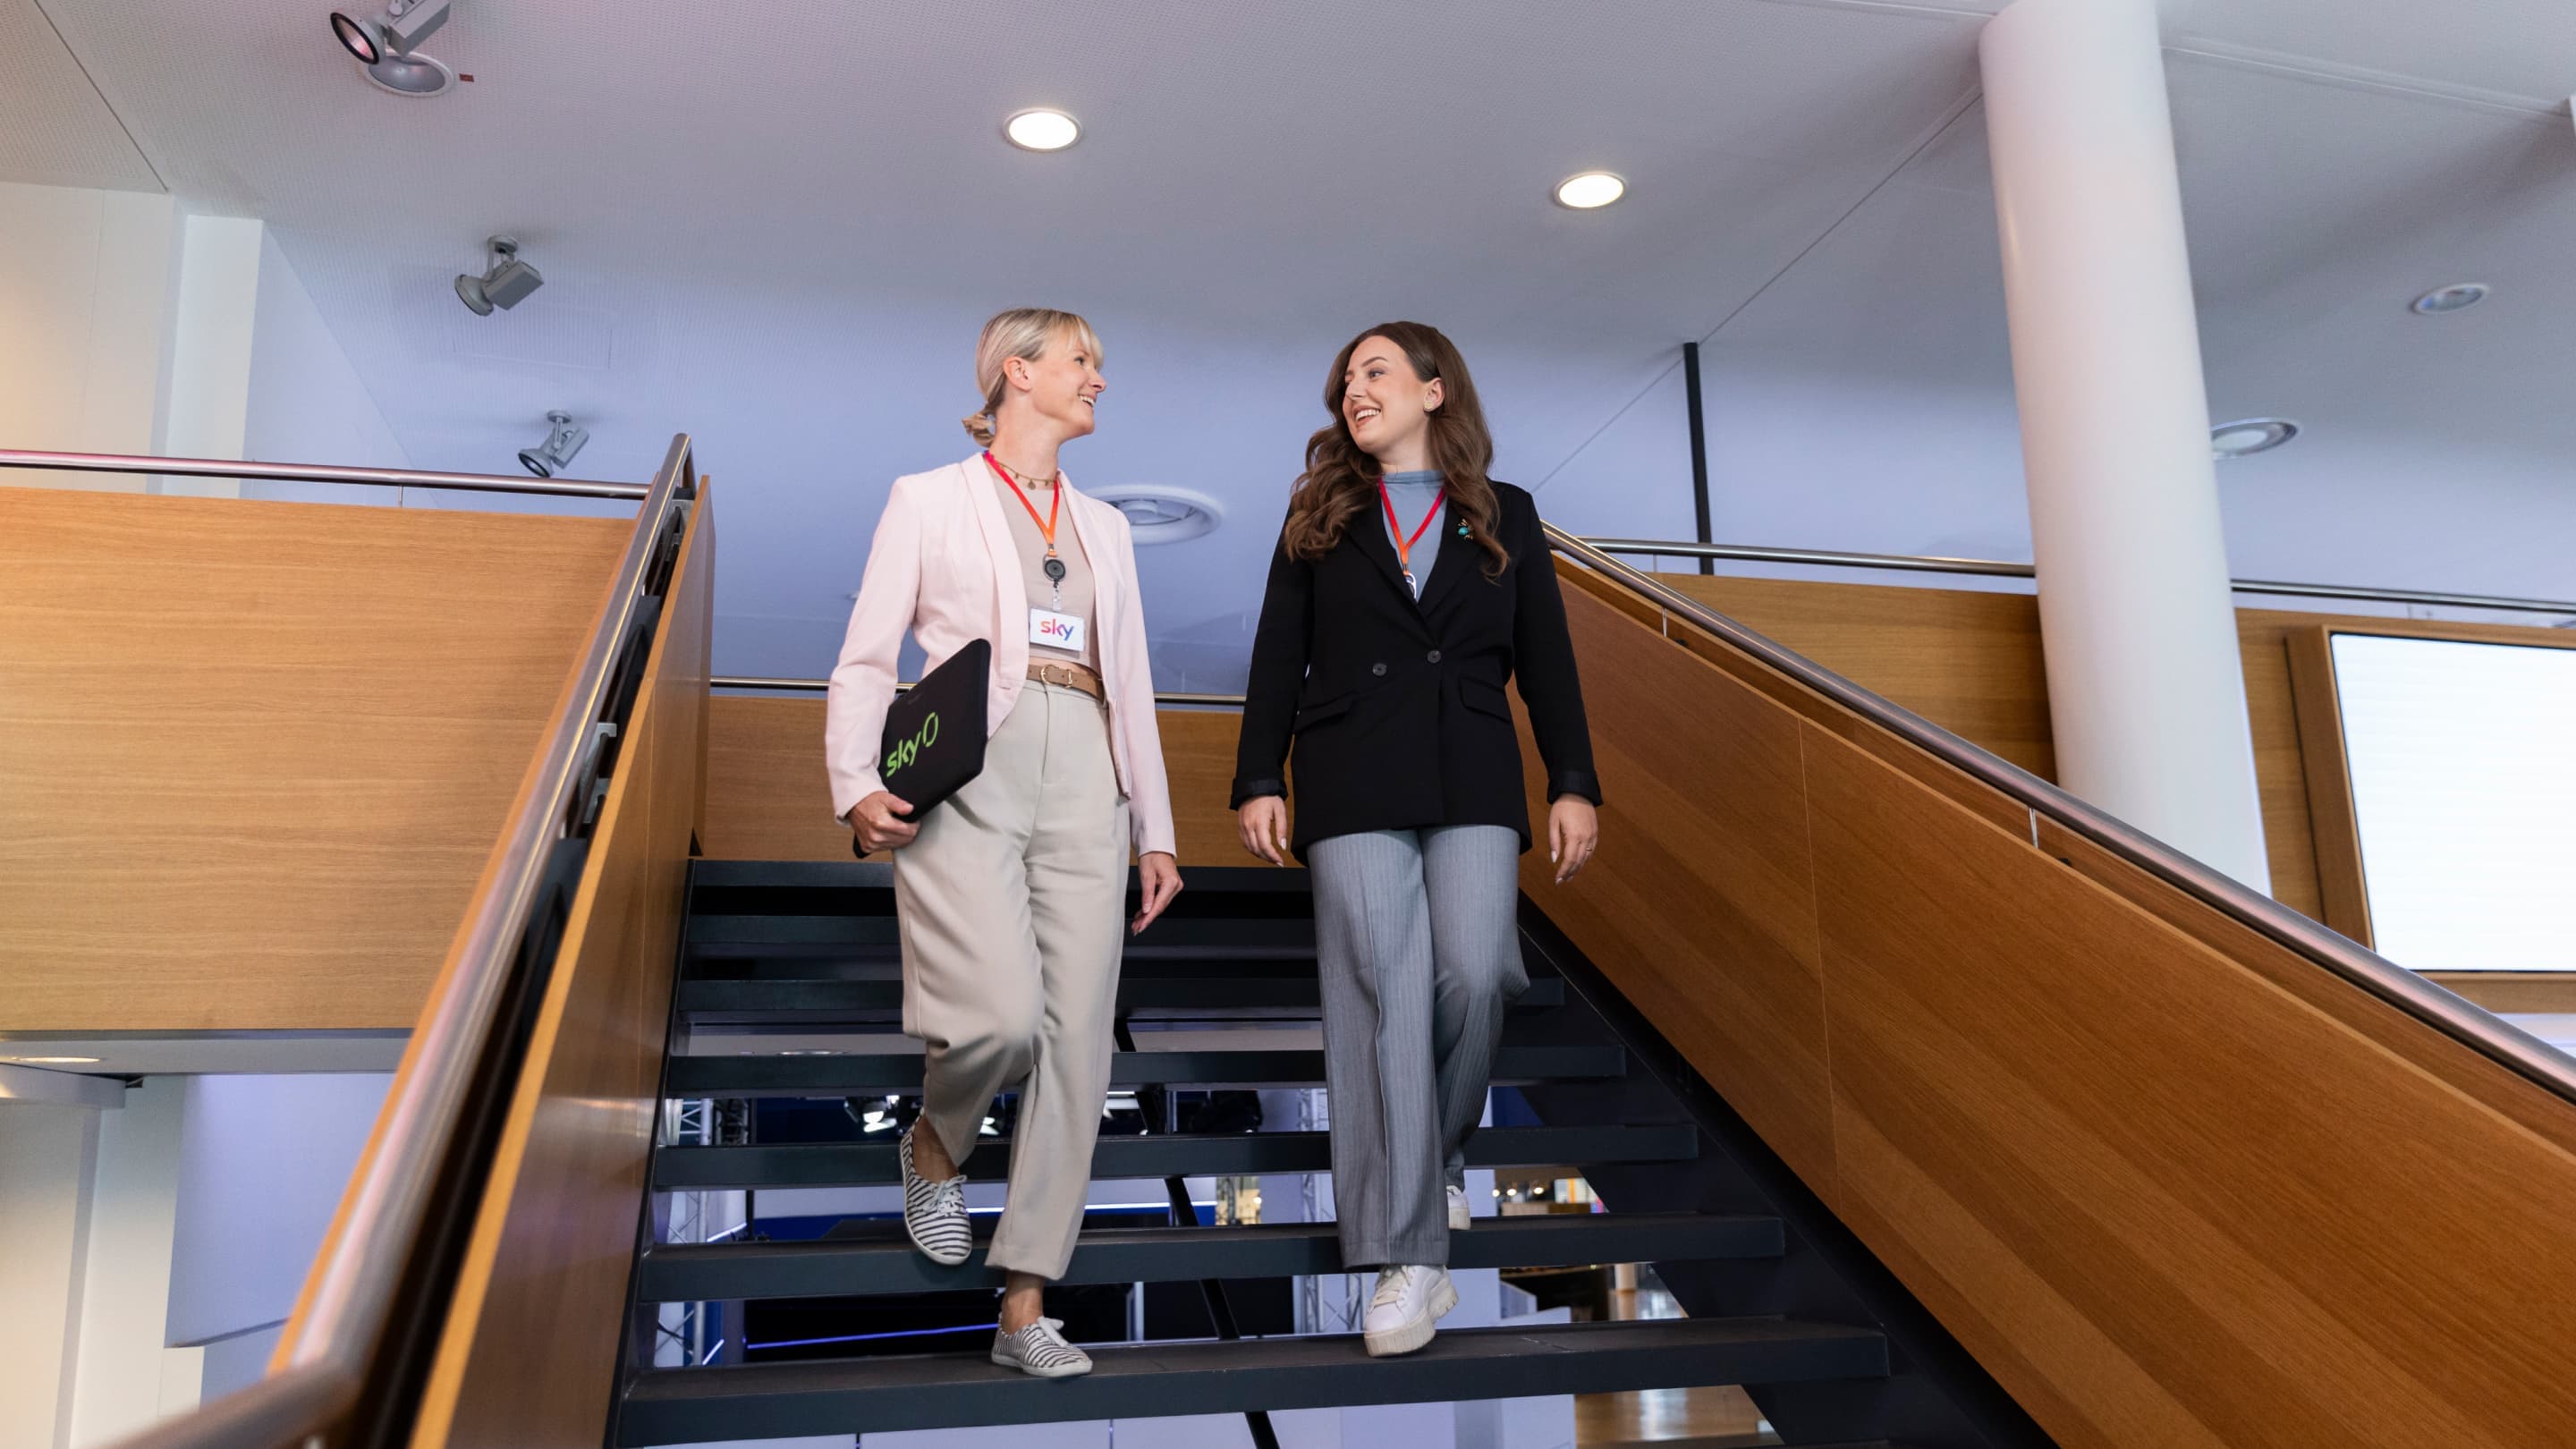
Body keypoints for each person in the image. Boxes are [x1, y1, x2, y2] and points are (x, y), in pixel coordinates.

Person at [1232, 320, 1601, 1359]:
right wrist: (1260, 774)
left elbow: (1549, 662)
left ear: (1436, 391)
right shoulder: (1319, 513)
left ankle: (1429, 1158)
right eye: (1347, 379)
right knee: (1382, 995)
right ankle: (1407, 1261)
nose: (1356, 390)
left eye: (1378, 372)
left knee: (1480, 974)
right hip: (1349, 772)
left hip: (1473, 771)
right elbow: (1277, 652)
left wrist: (1574, 782)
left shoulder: (1507, 514)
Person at [826, 307, 1183, 1378]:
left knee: (1078, 1045)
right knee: (995, 1021)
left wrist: (1154, 827)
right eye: (1084, 363)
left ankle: (1024, 1305)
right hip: (967, 764)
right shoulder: (928, 498)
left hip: (1087, 772)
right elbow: (864, 655)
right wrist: (856, 780)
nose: (1098, 383)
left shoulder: (1108, 527)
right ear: (1017, 374)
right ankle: (934, 1143)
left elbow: (1133, 684)